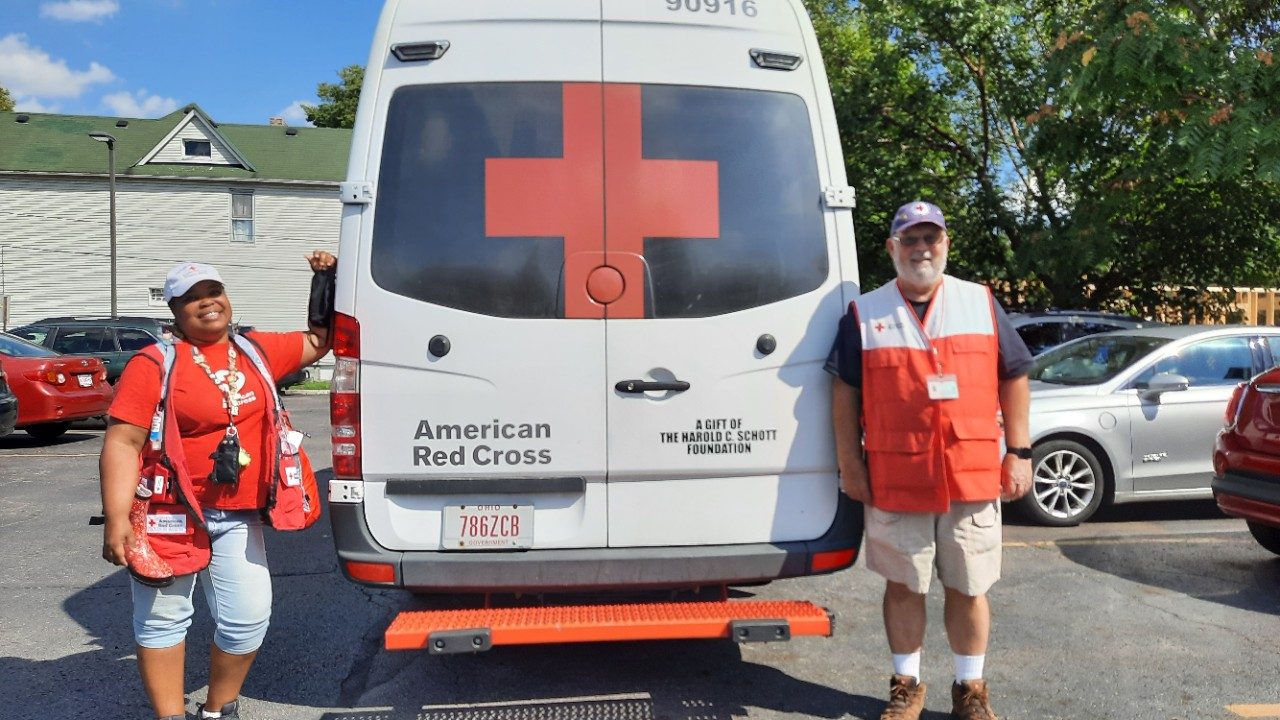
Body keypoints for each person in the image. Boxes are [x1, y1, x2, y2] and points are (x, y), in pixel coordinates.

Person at [99, 251, 337, 720]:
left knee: (247, 620)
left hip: (239, 513)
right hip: (171, 511)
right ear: (174, 312)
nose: (207, 303)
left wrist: (324, 280)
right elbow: (123, 443)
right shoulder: (155, 364)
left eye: (213, 292)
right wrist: (116, 519)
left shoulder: (256, 350)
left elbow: (319, 339)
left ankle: (217, 709)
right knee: (163, 620)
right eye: (191, 298)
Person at [827, 202, 1033, 720]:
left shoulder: (980, 302)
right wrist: (850, 466)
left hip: (972, 474)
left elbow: (1015, 376)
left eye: (931, 238)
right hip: (897, 477)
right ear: (892, 248)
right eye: (910, 239)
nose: (922, 248)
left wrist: (1020, 451)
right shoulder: (864, 313)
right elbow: (845, 392)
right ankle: (906, 686)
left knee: (969, 586)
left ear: (946, 244)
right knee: (903, 586)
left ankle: (970, 691)